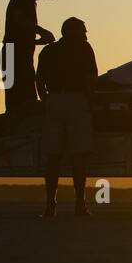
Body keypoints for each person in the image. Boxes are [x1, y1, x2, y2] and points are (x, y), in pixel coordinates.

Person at [35, 17, 97, 217]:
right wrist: (90, 102)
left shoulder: (49, 51)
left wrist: (45, 100)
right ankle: (80, 203)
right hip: (77, 100)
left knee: (53, 156)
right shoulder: (84, 49)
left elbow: (39, 80)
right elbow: (90, 79)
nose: (86, 34)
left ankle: (50, 205)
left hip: (54, 101)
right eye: (83, 30)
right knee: (78, 155)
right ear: (74, 32)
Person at [3, 0, 57, 117]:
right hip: (15, 56)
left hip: (21, 55)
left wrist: (39, 41)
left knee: (26, 99)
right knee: (20, 101)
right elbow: (18, 19)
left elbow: (21, 33)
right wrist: (41, 31)